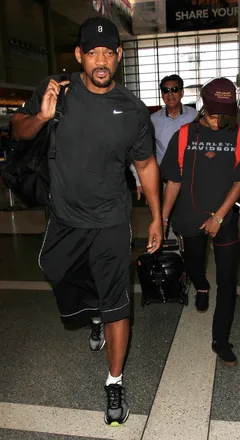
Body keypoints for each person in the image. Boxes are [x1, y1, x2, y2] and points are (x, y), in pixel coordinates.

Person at [11, 16, 162, 426]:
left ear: (119, 56)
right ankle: (94, 309)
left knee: (117, 303)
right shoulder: (55, 91)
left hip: (112, 220)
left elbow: (146, 166)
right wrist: (41, 117)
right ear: (79, 55)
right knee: (55, 269)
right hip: (64, 218)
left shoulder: (132, 110)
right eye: (92, 52)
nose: (100, 60)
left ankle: (114, 381)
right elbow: (18, 130)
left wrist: (157, 218)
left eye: (108, 52)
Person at [160, 78, 240, 365]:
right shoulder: (184, 135)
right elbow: (174, 182)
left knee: (228, 281)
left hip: (225, 216)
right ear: (203, 106)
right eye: (213, 114)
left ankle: (221, 340)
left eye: (224, 115)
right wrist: (162, 219)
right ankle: (201, 287)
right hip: (189, 215)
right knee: (193, 265)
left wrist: (219, 216)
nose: (218, 121)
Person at [130, 74, 198, 201]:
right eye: (166, 91)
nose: (170, 94)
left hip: (193, 179)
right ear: (162, 95)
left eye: (174, 89)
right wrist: (140, 181)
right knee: (166, 218)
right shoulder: (152, 120)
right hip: (166, 181)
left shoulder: (196, 117)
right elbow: (138, 151)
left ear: (182, 92)